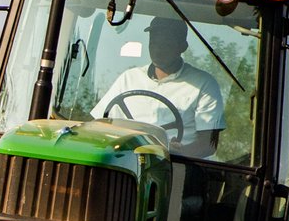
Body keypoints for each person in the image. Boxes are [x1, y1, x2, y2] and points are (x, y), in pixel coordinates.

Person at [91, 15, 224, 158]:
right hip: (126, 161)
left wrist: (178, 152)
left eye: (166, 43)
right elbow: (99, 126)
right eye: (154, 41)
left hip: (177, 166)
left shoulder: (204, 84)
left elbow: (208, 145)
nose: (158, 48)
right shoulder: (129, 78)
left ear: (182, 47)